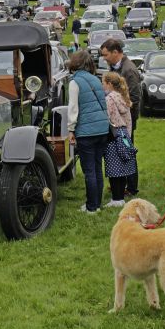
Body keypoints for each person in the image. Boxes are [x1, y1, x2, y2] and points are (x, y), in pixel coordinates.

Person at [68, 51, 110, 213]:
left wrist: (71, 129)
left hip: (86, 131)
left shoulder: (75, 82)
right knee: (97, 168)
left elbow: (73, 108)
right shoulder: (96, 79)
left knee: (89, 171)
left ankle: (92, 207)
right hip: (102, 129)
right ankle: (96, 204)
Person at [100, 38, 141, 195]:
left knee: (127, 152)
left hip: (126, 121)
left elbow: (135, 97)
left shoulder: (129, 70)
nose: (104, 58)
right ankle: (121, 184)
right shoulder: (115, 67)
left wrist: (124, 117)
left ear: (115, 52)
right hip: (120, 121)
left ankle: (131, 187)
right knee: (120, 152)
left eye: (106, 55)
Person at [102, 71, 137, 207]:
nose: (102, 85)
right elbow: (128, 119)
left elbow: (108, 117)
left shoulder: (109, 98)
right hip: (124, 135)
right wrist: (127, 135)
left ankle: (116, 199)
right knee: (122, 168)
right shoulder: (123, 97)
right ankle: (120, 197)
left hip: (113, 134)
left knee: (113, 168)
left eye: (103, 83)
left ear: (109, 84)